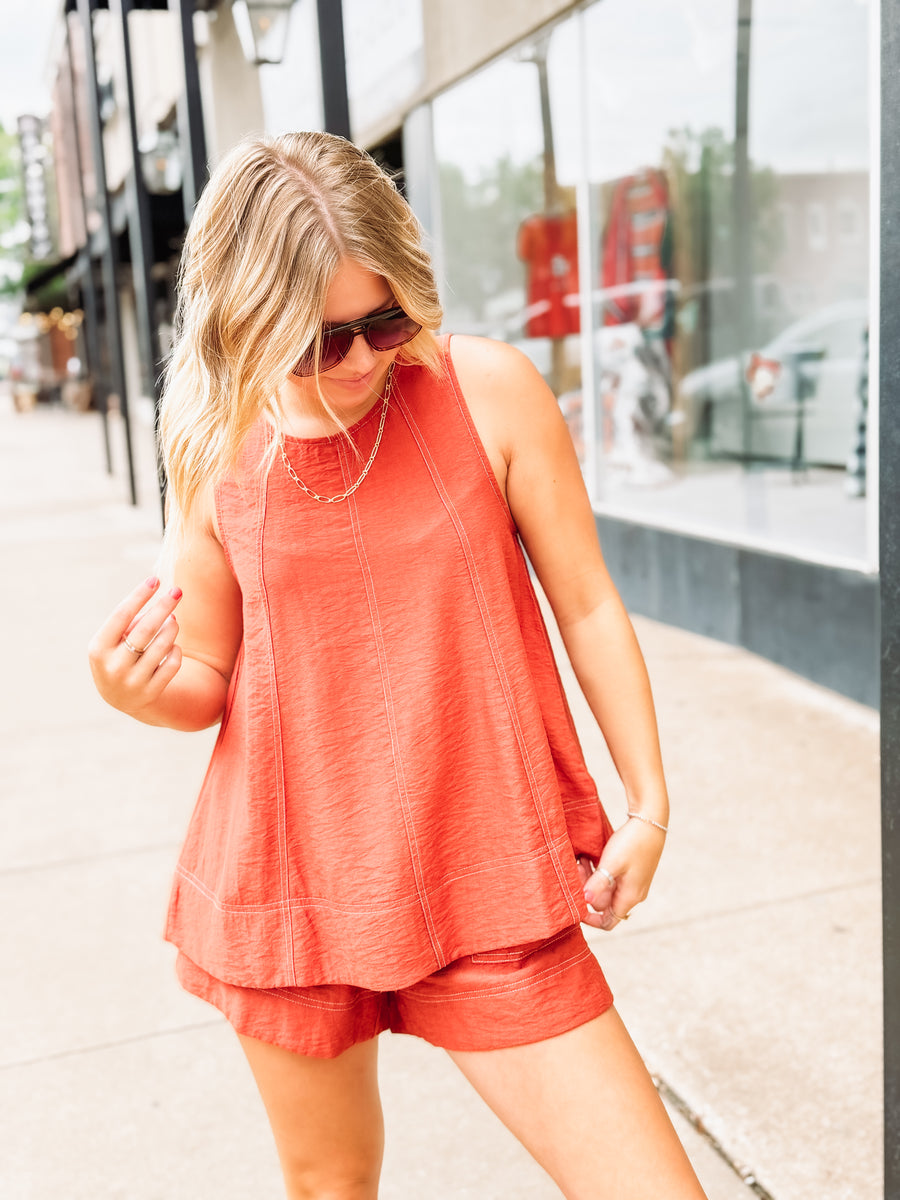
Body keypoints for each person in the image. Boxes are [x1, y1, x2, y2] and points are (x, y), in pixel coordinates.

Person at [88, 131, 707, 1200]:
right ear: (245, 323)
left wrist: (648, 805)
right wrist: (132, 692)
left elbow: (590, 603)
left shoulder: (486, 391)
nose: (368, 358)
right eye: (323, 340)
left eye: (386, 319)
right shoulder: (210, 441)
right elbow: (208, 679)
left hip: (487, 867)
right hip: (290, 884)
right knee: (332, 1186)